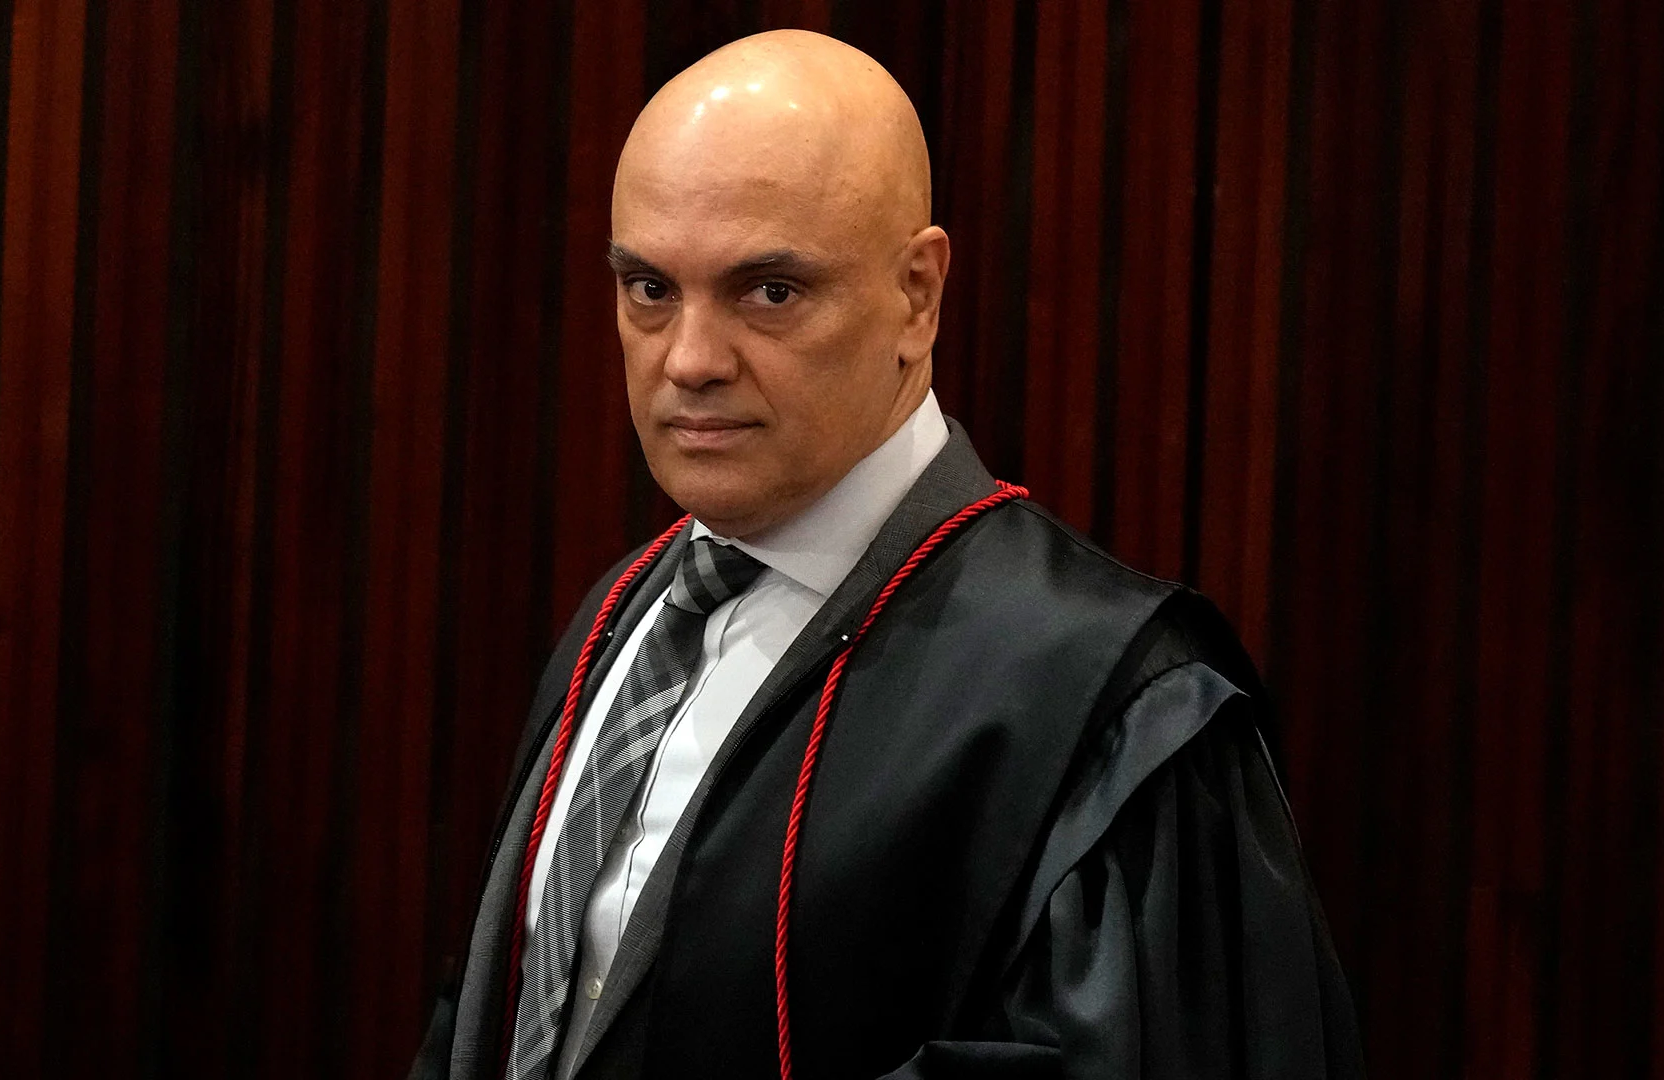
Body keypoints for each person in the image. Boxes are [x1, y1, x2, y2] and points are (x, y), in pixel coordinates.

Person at [410, 29, 1364, 1080]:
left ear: (917, 292)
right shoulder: (623, 620)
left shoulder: (1104, 702)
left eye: (769, 291)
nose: (689, 359)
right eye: (649, 289)